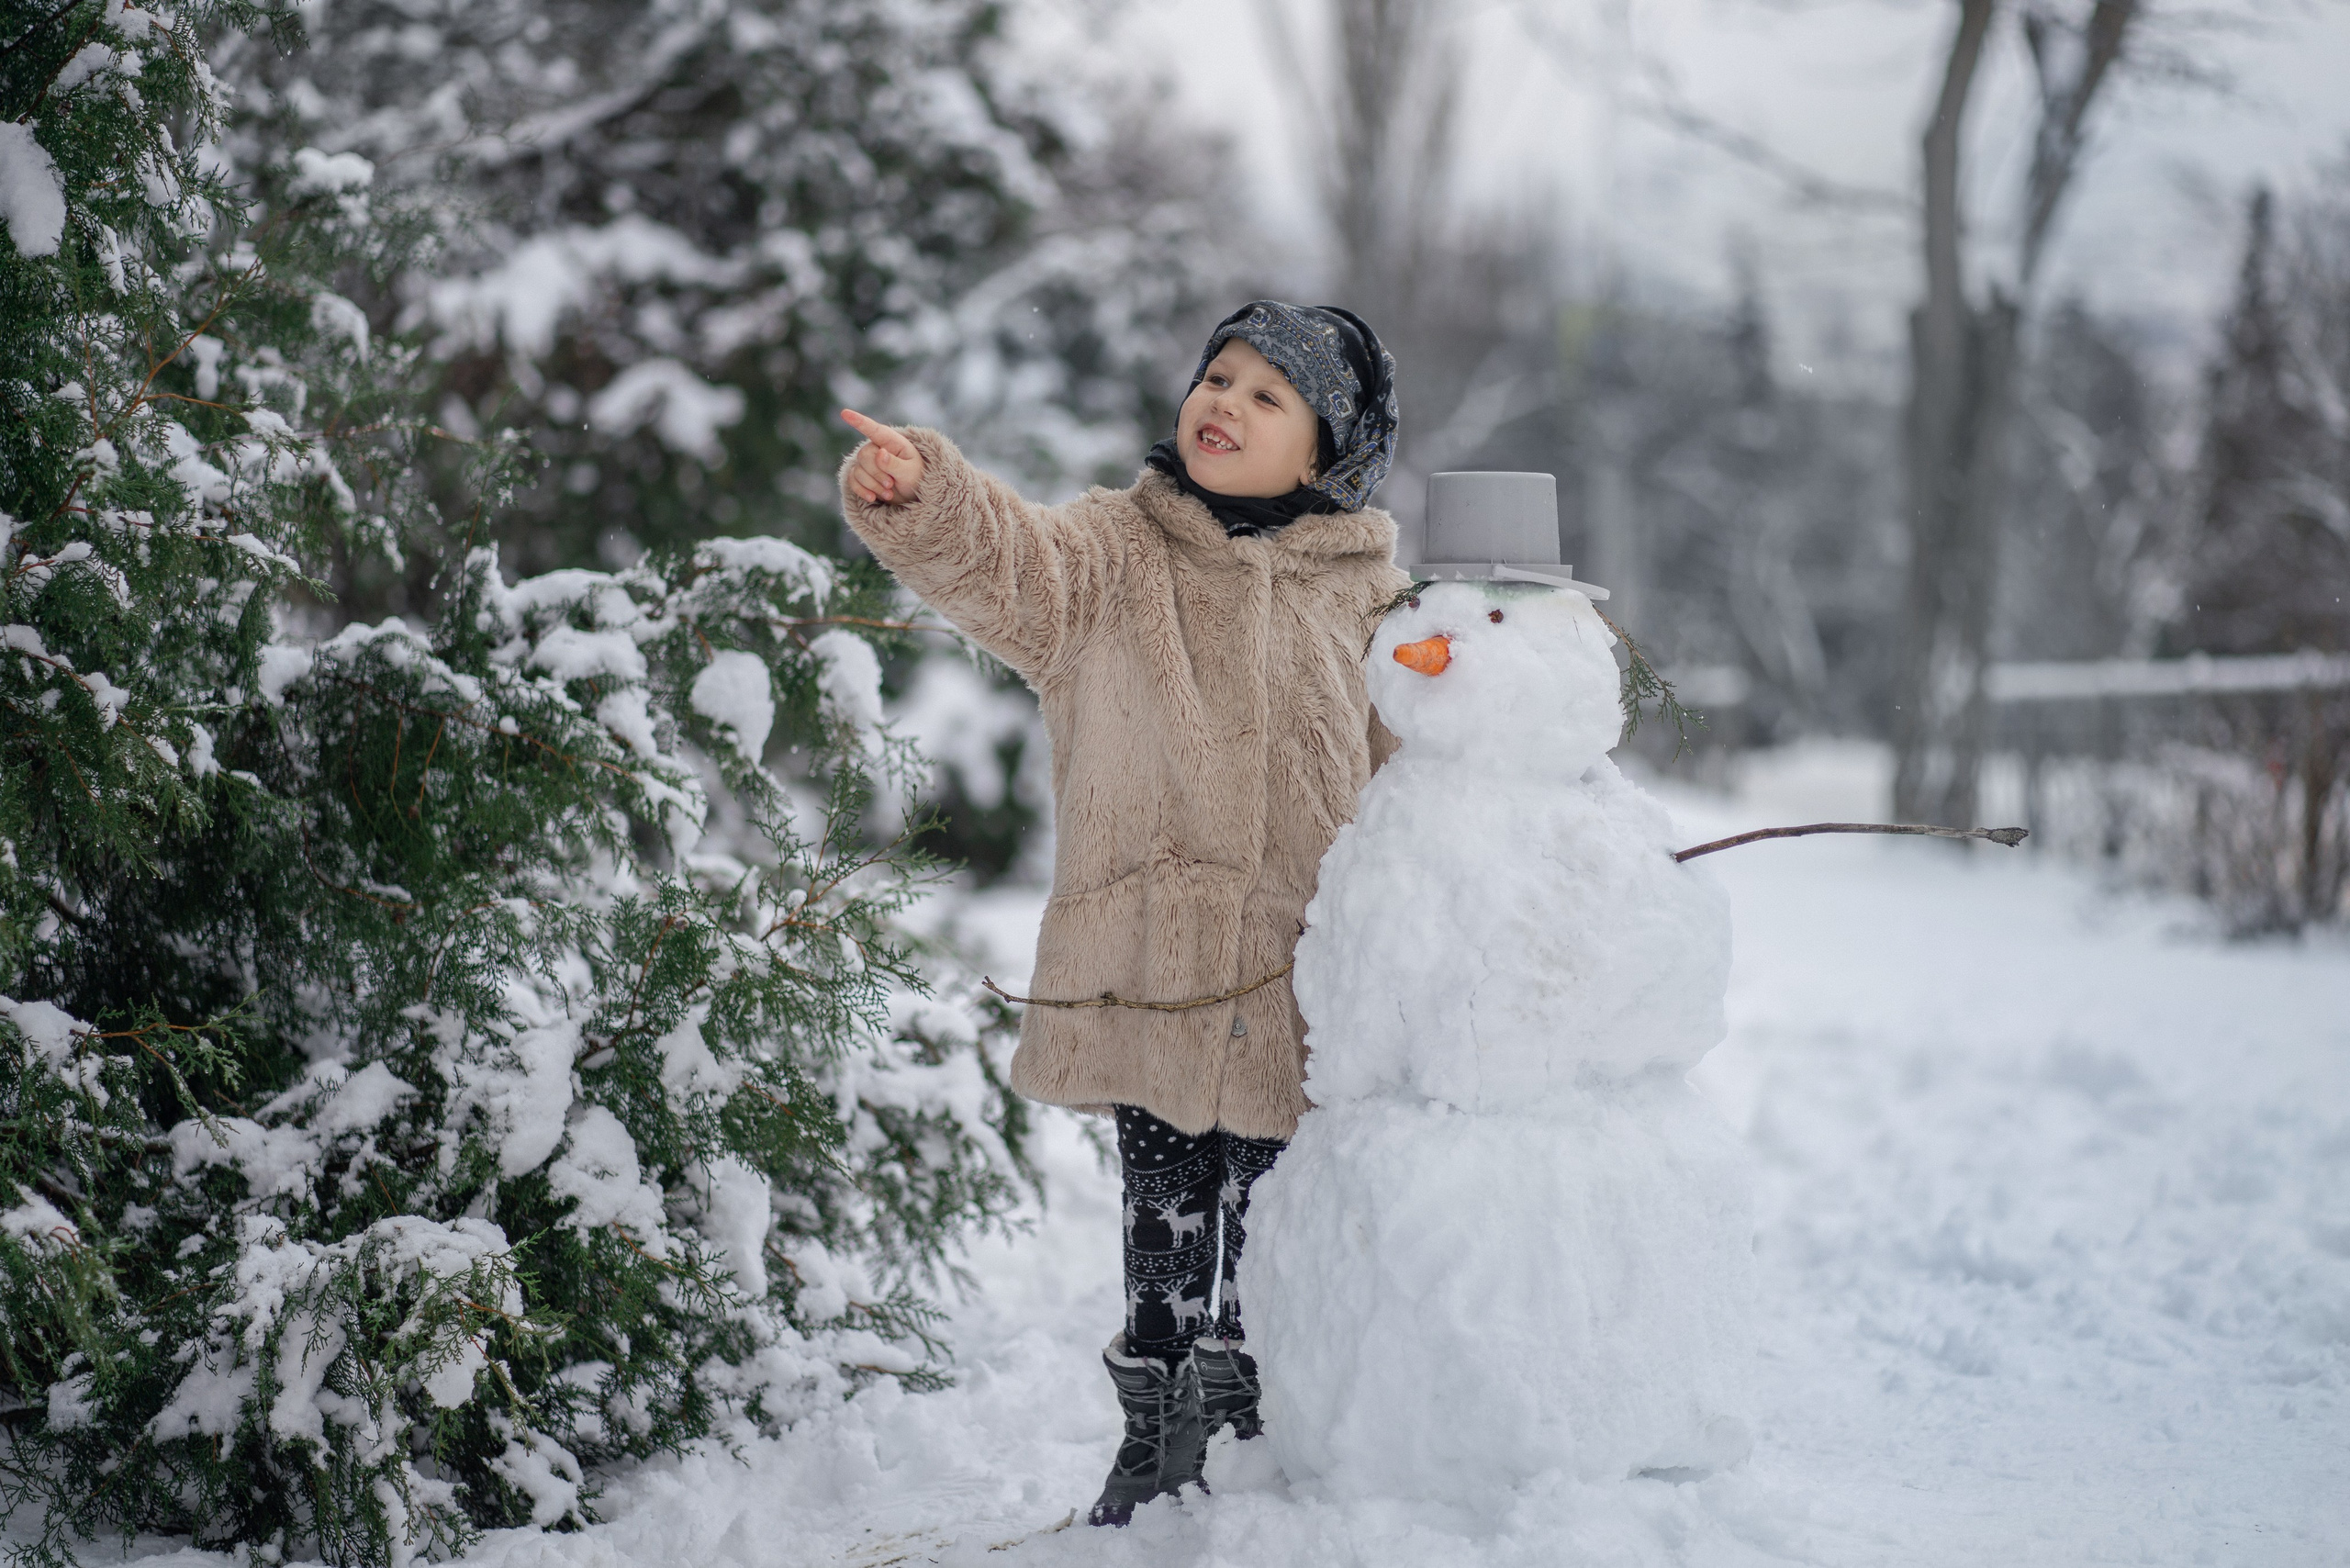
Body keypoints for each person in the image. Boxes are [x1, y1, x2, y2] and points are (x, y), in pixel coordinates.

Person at [838, 301, 1406, 1526]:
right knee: (1163, 1211)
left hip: (1290, 979)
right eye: (1219, 376)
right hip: (1145, 954)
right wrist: (925, 494)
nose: (1226, 403)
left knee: (1265, 1226)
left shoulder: (1369, 601)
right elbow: (1007, 562)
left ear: (1324, 452)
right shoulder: (1114, 555)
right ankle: (1155, 1440)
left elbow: (1415, 780)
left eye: (1270, 396)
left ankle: (1246, 1437)